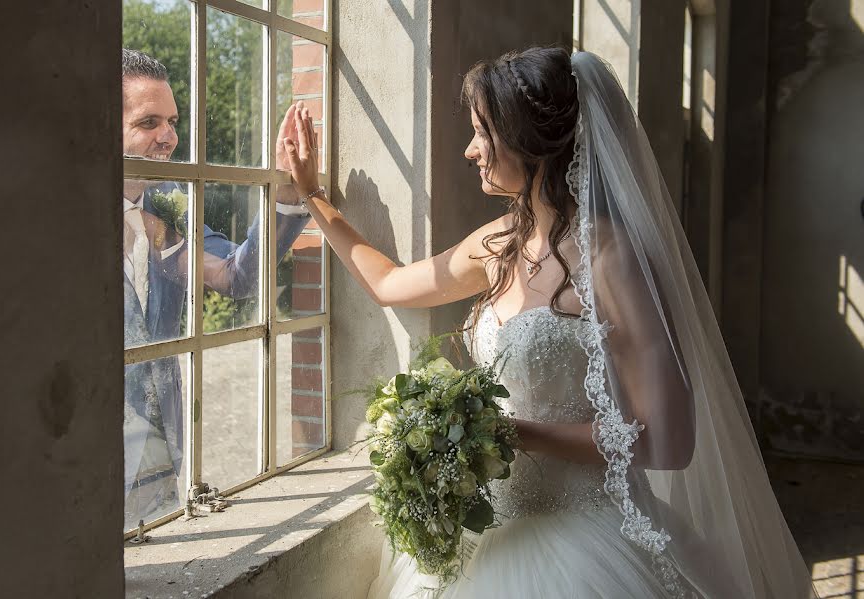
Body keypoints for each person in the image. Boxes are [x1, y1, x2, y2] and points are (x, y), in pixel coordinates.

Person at [280, 48, 817, 598]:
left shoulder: (613, 260)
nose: (470, 151)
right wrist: (313, 196)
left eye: (482, 133)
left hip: (585, 536)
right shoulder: (497, 243)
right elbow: (389, 284)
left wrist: (513, 434)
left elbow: (671, 443)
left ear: (528, 139)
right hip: (490, 533)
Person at [122, 48, 312, 527]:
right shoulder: (47, 217)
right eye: (150, 123)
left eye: (172, 120)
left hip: (160, 447)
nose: (169, 137)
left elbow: (237, 275)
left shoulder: (168, 208)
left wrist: (285, 195)